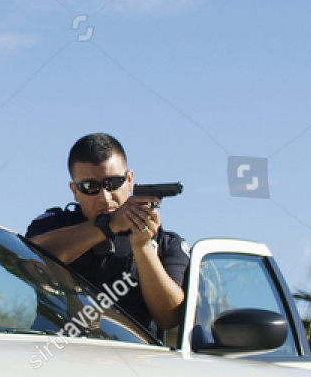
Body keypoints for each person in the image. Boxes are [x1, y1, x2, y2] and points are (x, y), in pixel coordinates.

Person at [25, 132, 189, 333]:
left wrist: (143, 247)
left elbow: (169, 318)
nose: (104, 197)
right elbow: (28, 258)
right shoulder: (53, 226)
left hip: (134, 358)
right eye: (89, 187)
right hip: (58, 354)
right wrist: (108, 225)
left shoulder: (165, 243)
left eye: (113, 183)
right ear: (74, 190)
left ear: (129, 180)